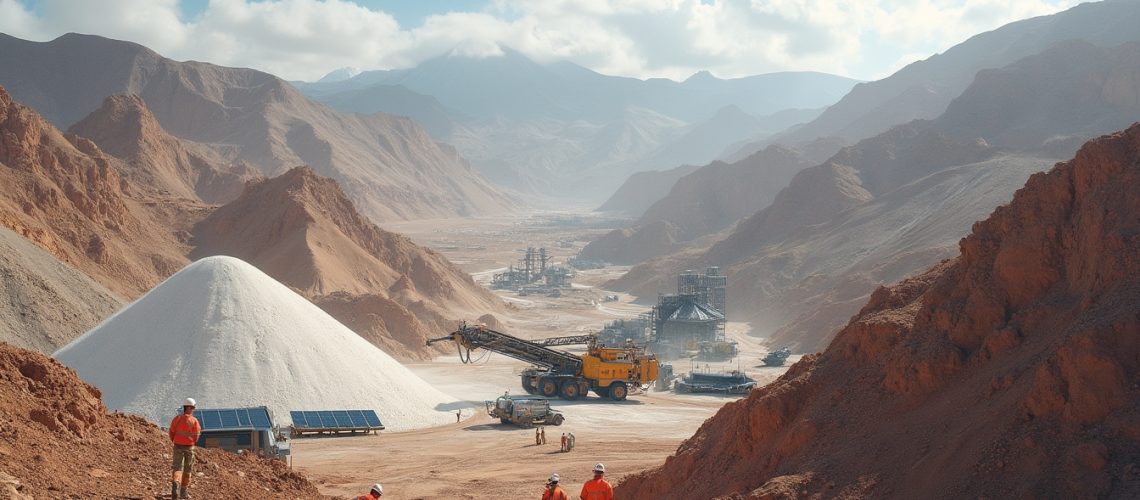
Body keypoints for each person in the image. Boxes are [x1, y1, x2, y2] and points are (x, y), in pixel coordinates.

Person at [168, 398, 201, 499]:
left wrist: (175, 441)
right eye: (193, 408)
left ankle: (175, 484)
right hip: (189, 447)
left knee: (177, 467)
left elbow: (171, 432)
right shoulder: (194, 421)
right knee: (188, 469)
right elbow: (197, 434)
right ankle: (183, 492)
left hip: (177, 445)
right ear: (190, 408)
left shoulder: (177, 419)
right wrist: (193, 443)